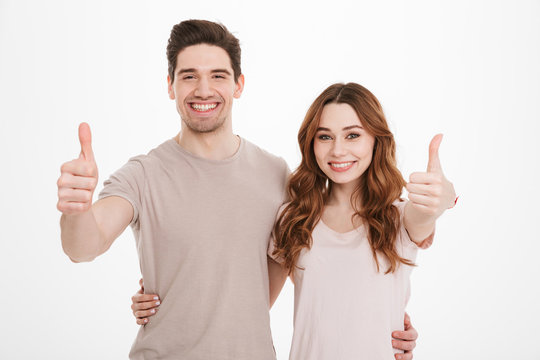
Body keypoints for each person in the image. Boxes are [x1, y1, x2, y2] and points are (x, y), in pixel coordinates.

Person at [58, 19, 419, 360]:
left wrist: (384, 323)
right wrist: (76, 210)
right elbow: (85, 246)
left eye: (218, 75)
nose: (203, 90)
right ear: (170, 85)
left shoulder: (275, 174)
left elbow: (313, 272)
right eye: (188, 76)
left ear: (238, 84)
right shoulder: (142, 175)